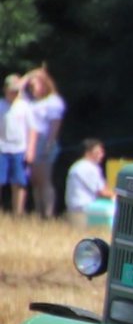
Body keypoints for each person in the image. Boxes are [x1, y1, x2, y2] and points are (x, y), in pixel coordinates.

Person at [22, 67, 65, 218]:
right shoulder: (31, 102)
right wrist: (29, 76)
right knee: (35, 181)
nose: (32, 88)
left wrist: (49, 144)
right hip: (31, 143)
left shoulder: (53, 101)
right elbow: (20, 91)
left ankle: (48, 213)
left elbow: (54, 125)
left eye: (35, 85)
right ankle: (39, 211)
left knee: (44, 179)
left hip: (45, 141)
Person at [0, 73, 34, 214]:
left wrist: (30, 149)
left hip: (19, 149)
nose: (14, 92)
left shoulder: (24, 107)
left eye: (16, 90)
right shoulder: (1, 105)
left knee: (19, 183)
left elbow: (32, 129)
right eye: (11, 89)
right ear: (5, 89)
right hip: (2, 148)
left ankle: (18, 214)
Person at [64, 138, 114, 225]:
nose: (102, 155)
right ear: (88, 153)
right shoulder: (88, 167)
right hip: (83, 209)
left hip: (77, 207)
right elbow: (102, 192)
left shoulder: (79, 166)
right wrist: (118, 196)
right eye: (98, 152)